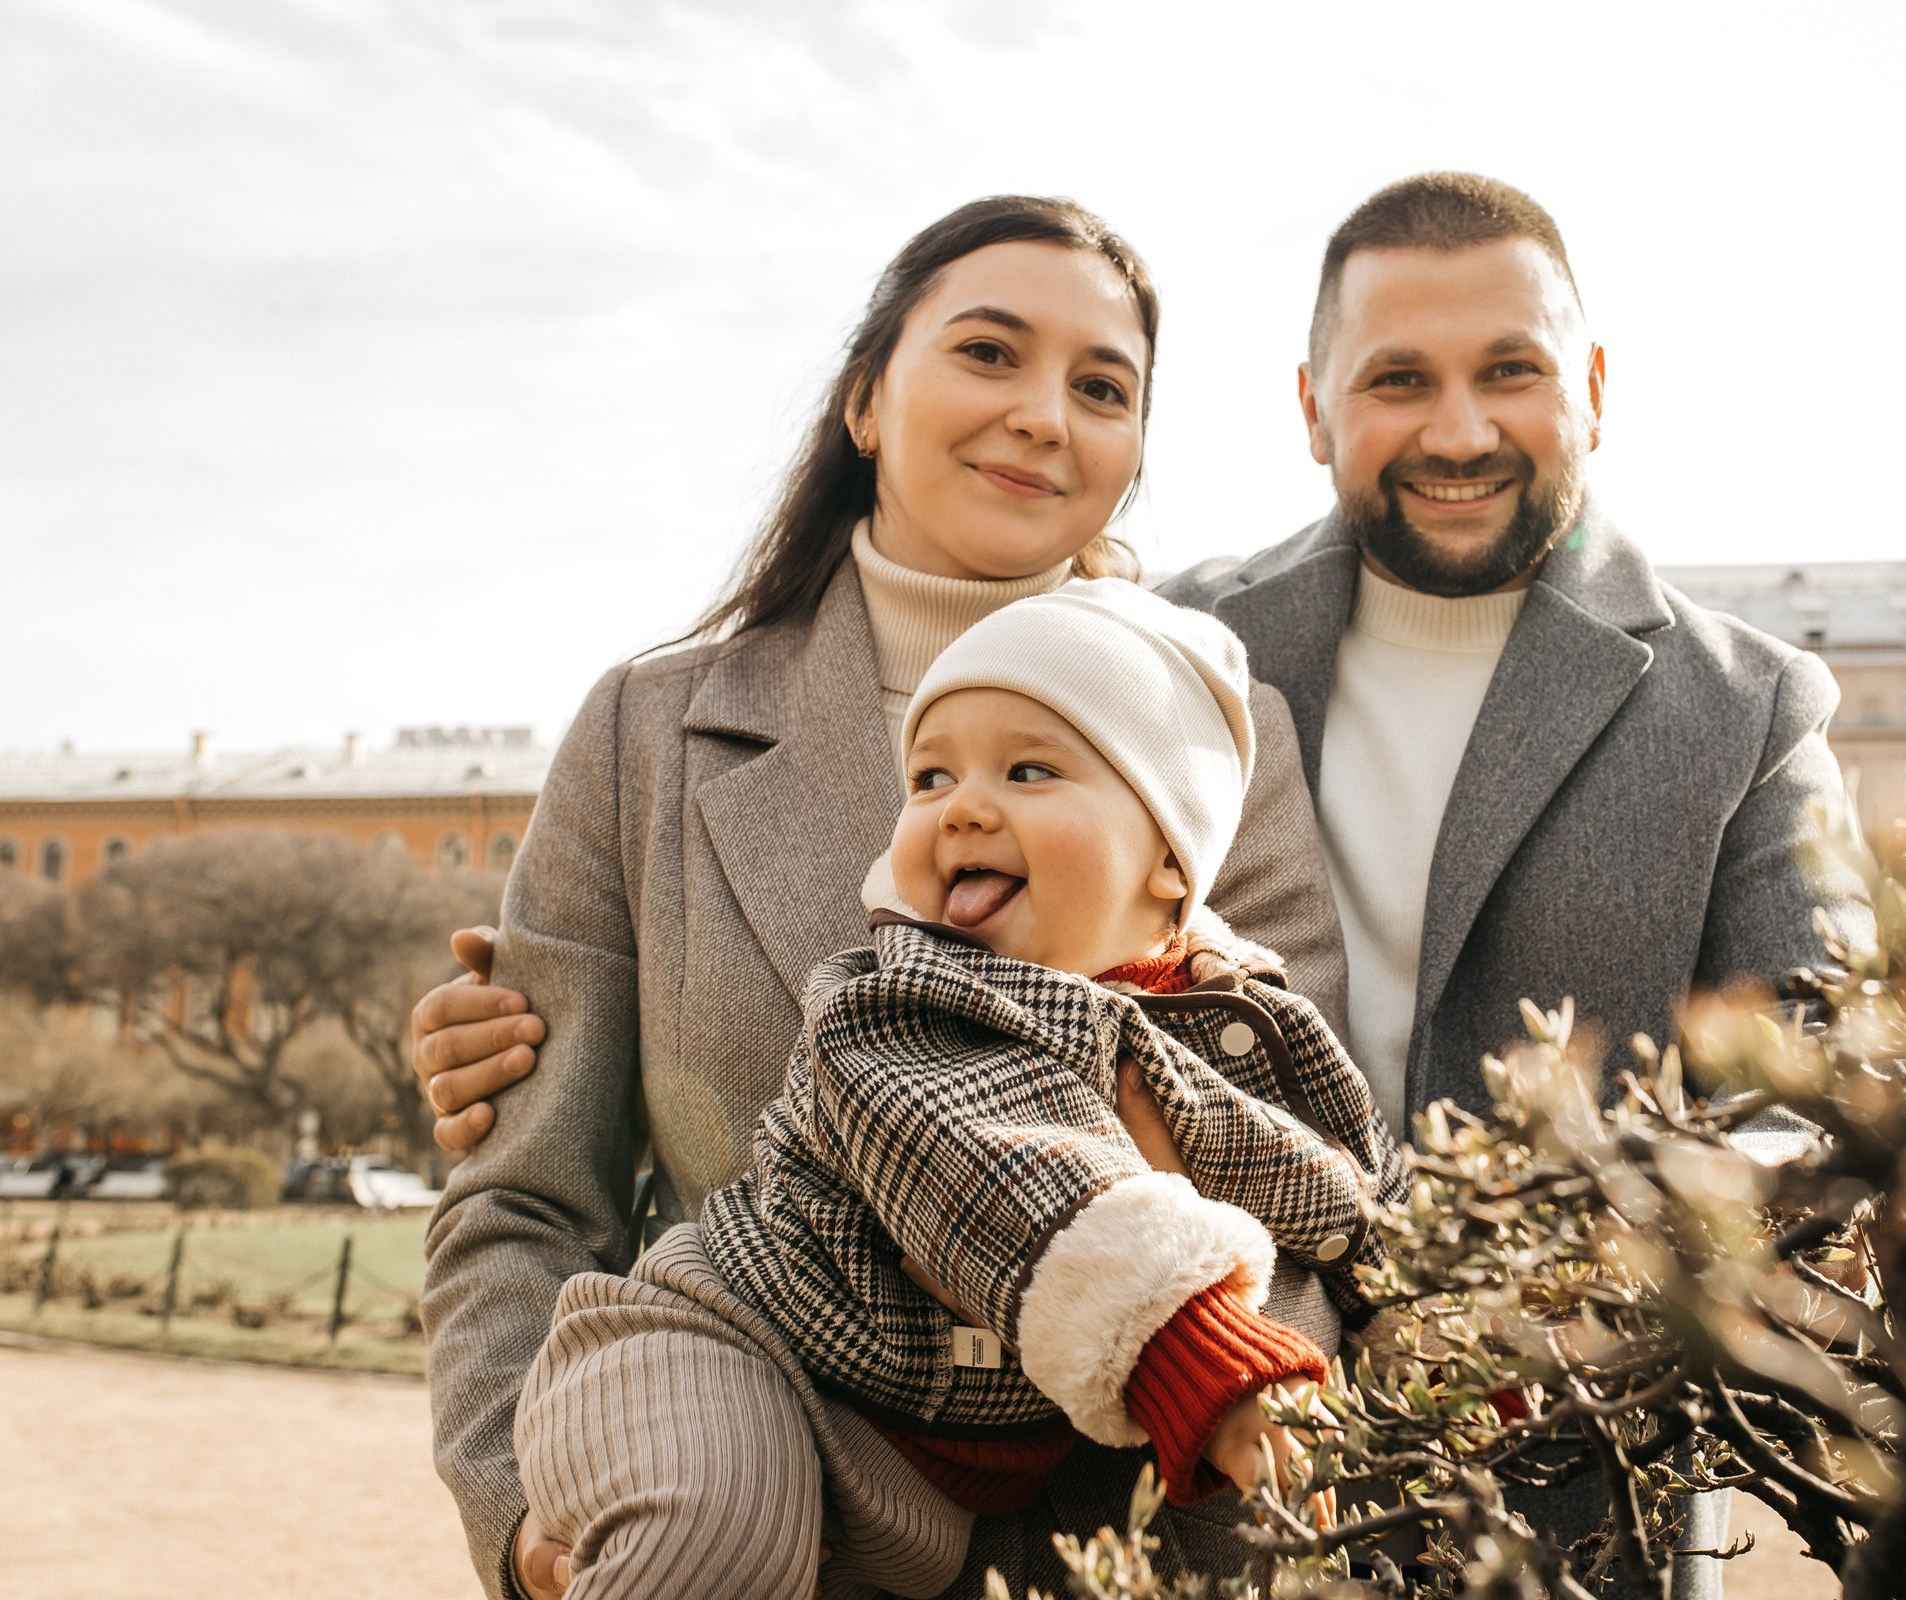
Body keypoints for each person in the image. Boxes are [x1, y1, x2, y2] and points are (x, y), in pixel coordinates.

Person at [416, 196, 1348, 1600]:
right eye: (989, 353)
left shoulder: (1229, 740)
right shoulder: (644, 732)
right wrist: (523, 1509)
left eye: (1103, 387)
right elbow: (523, 1197)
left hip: (1121, 1543)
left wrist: (1253, 1466)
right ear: (865, 398)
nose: (1044, 414)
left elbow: (1278, 1161)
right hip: (737, 1506)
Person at [1157, 172, 1874, 1595]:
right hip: (1201, 1477)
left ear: (1593, 387)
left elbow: (1824, 1072)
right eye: (1399, 380)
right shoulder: (1176, 643)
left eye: (1512, 372)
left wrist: (1614, 1266)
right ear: (1313, 406)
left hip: (1574, 1494)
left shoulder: (1749, 706)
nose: (1460, 430)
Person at [511, 580, 1403, 1596]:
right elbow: (1015, 1172)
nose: (964, 805)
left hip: (935, 1472)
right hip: (734, 1355)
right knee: (710, 1536)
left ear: (1169, 855)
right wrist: (1204, 1352)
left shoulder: (1254, 1027)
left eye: (1029, 770)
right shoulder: (897, 1004)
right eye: (931, 777)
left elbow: (1356, 1202)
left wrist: (1469, 1355)